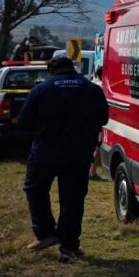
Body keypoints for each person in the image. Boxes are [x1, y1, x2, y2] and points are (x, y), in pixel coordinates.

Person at [18, 56, 109, 261]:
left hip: (45, 152)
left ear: (51, 70)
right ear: (73, 68)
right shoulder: (92, 90)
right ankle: (69, 247)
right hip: (79, 153)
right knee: (73, 199)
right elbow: (104, 119)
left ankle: (46, 232)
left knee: (35, 190)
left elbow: (24, 121)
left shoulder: (41, 89)